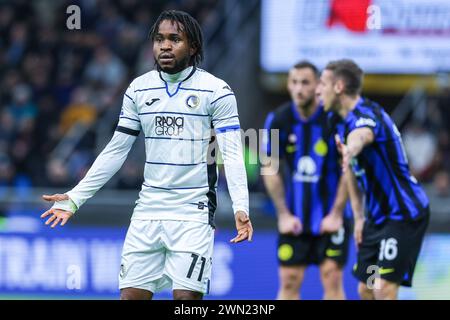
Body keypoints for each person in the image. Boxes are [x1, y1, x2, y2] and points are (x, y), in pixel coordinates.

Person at [40, 10, 253, 300]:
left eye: (175, 39)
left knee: (186, 300)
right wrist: (76, 197)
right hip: (147, 211)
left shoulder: (216, 91)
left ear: (193, 47)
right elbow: (116, 149)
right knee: (130, 297)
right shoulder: (139, 89)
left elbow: (231, 152)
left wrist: (241, 205)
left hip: (193, 212)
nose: (165, 46)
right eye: (159, 39)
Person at [317, 59, 430, 300]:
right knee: (366, 288)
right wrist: (359, 218)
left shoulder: (368, 115)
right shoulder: (337, 121)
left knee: (383, 288)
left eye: (322, 83)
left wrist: (351, 148)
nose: (318, 90)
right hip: (376, 221)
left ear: (338, 86)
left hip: (403, 216)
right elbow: (350, 171)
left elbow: (363, 135)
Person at [262, 61, 351, 300]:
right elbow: (270, 168)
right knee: (289, 282)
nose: (298, 88)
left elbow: (348, 169)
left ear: (318, 86)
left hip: (331, 218)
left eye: (305, 82)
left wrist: (336, 213)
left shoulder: (334, 119)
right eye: (294, 82)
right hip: (295, 219)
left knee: (332, 278)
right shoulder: (277, 120)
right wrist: (282, 214)